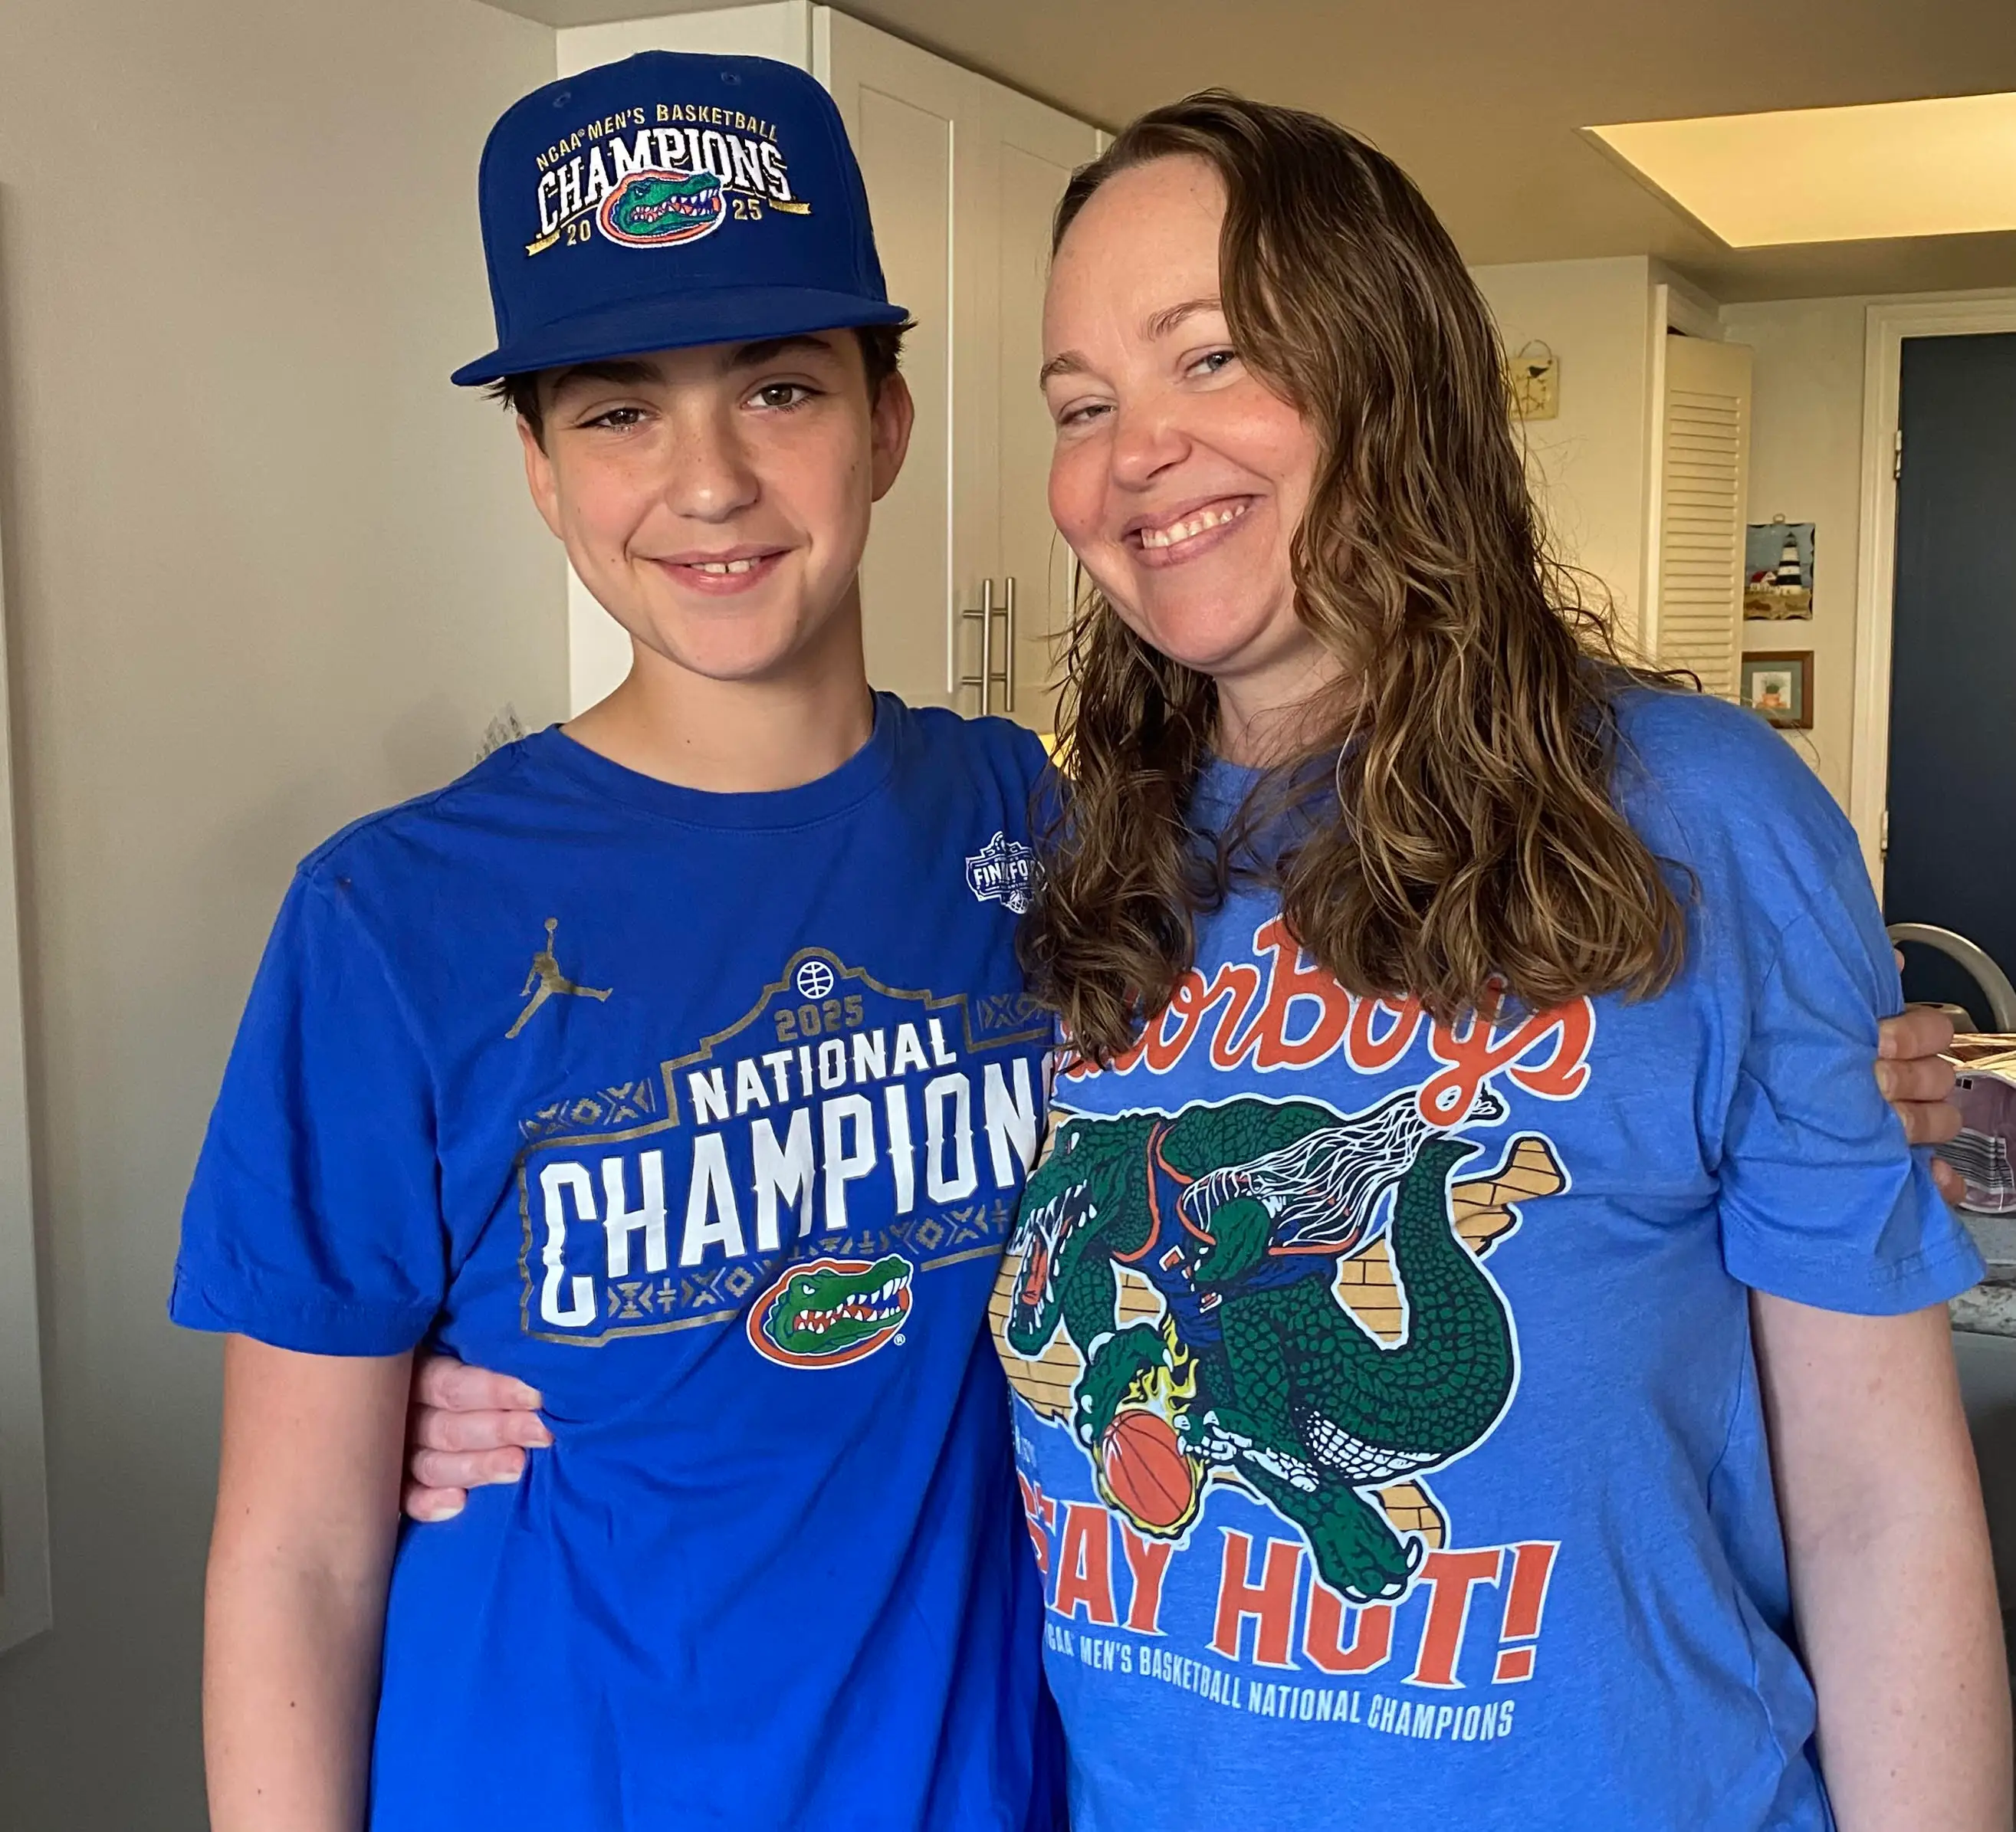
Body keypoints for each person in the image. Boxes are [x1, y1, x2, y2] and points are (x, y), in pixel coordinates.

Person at [404, 88, 1998, 1832]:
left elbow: (1878, 1502)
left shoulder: (1698, 814)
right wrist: (474, 1373)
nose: (1133, 453)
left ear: (1386, 367)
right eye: (1081, 404)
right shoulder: (1071, 858)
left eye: (1211, 356)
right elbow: (862, 1241)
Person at [172, 51, 1060, 1832]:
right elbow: (296, 1556)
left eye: (779, 388)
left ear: (886, 422)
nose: (706, 481)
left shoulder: (1031, 825)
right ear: (537, 468)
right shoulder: (389, 918)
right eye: (616, 412)